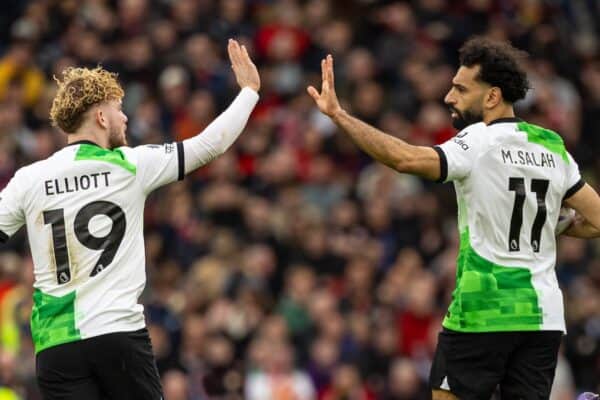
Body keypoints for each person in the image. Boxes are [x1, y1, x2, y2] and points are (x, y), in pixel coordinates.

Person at [307, 37, 600, 399]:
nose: (449, 97)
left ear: (492, 97)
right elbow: (597, 220)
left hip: (484, 309)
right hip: (543, 317)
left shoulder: (478, 140)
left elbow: (405, 159)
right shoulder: (552, 145)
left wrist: (339, 115)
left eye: (461, 88)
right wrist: (550, 224)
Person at [0, 39, 260, 400]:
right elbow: (209, 144)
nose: (125, 118)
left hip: (55, 348)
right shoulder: (130, 164)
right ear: (102, 117)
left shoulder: (29, 179)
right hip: (118, 334)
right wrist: (249, 91)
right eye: (119, 109)